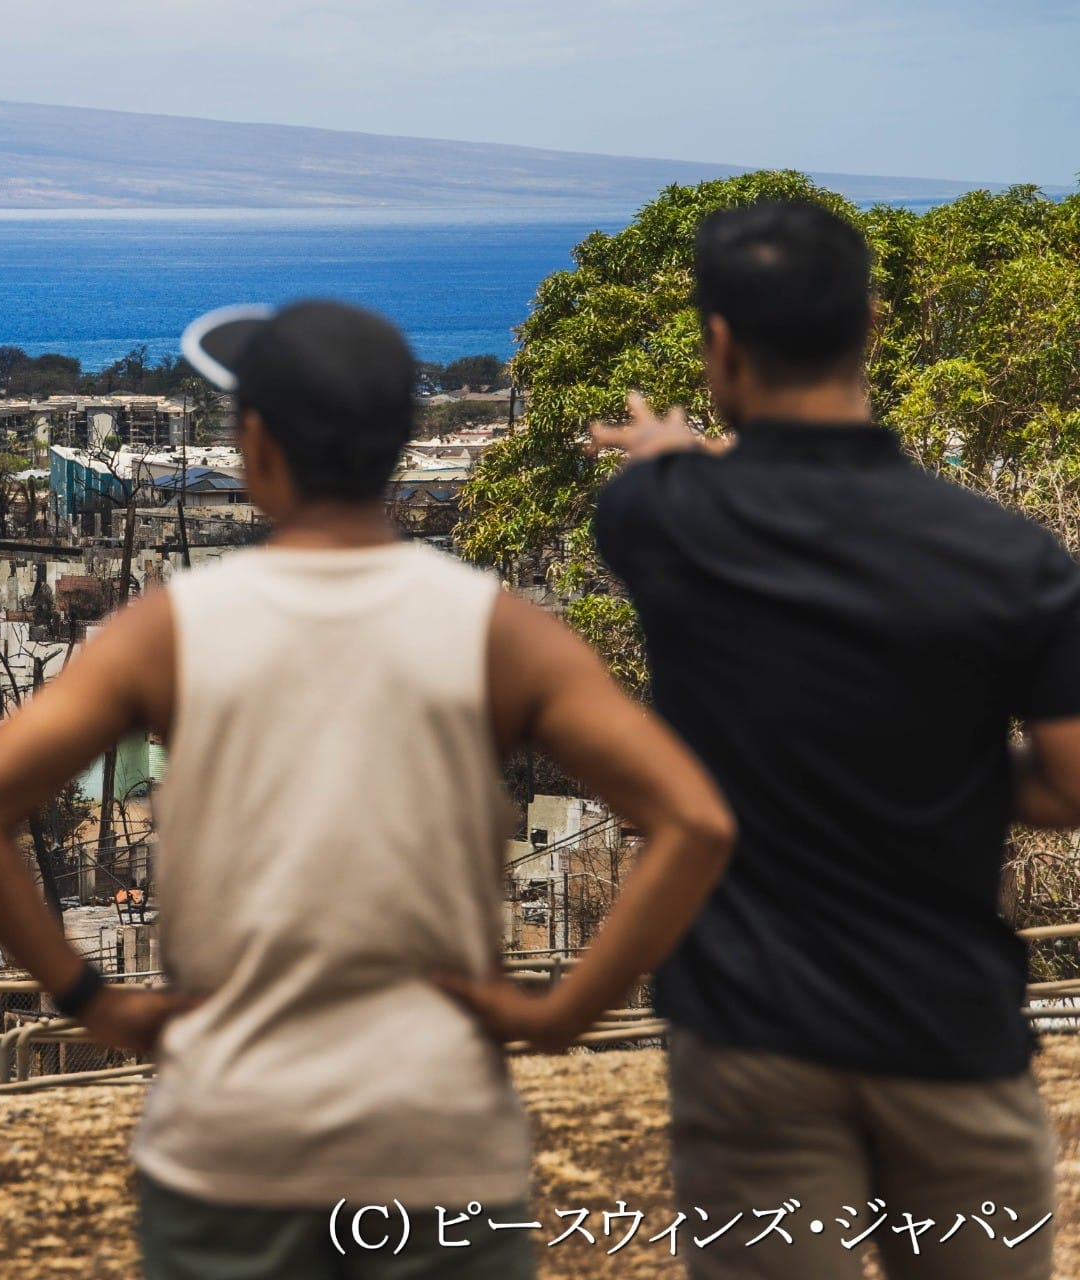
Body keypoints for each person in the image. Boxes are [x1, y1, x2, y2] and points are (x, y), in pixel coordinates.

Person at [0, 299, 735, 1279]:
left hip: (230, 1147)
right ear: (397, 447)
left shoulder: (173, 628)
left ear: (255, 443)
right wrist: (565, 1011)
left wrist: (90, 995)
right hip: (439, 1148)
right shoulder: (496, 629)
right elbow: (690, 818)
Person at [452, 200, 1080, 1280]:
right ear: (874, 325)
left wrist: (673, 449)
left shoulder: (658, 520)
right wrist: (942, 770)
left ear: (721, 345)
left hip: (751, 1035)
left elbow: (693, 487)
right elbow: (1070, 785)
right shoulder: (1011, 558)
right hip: (950, 1027)